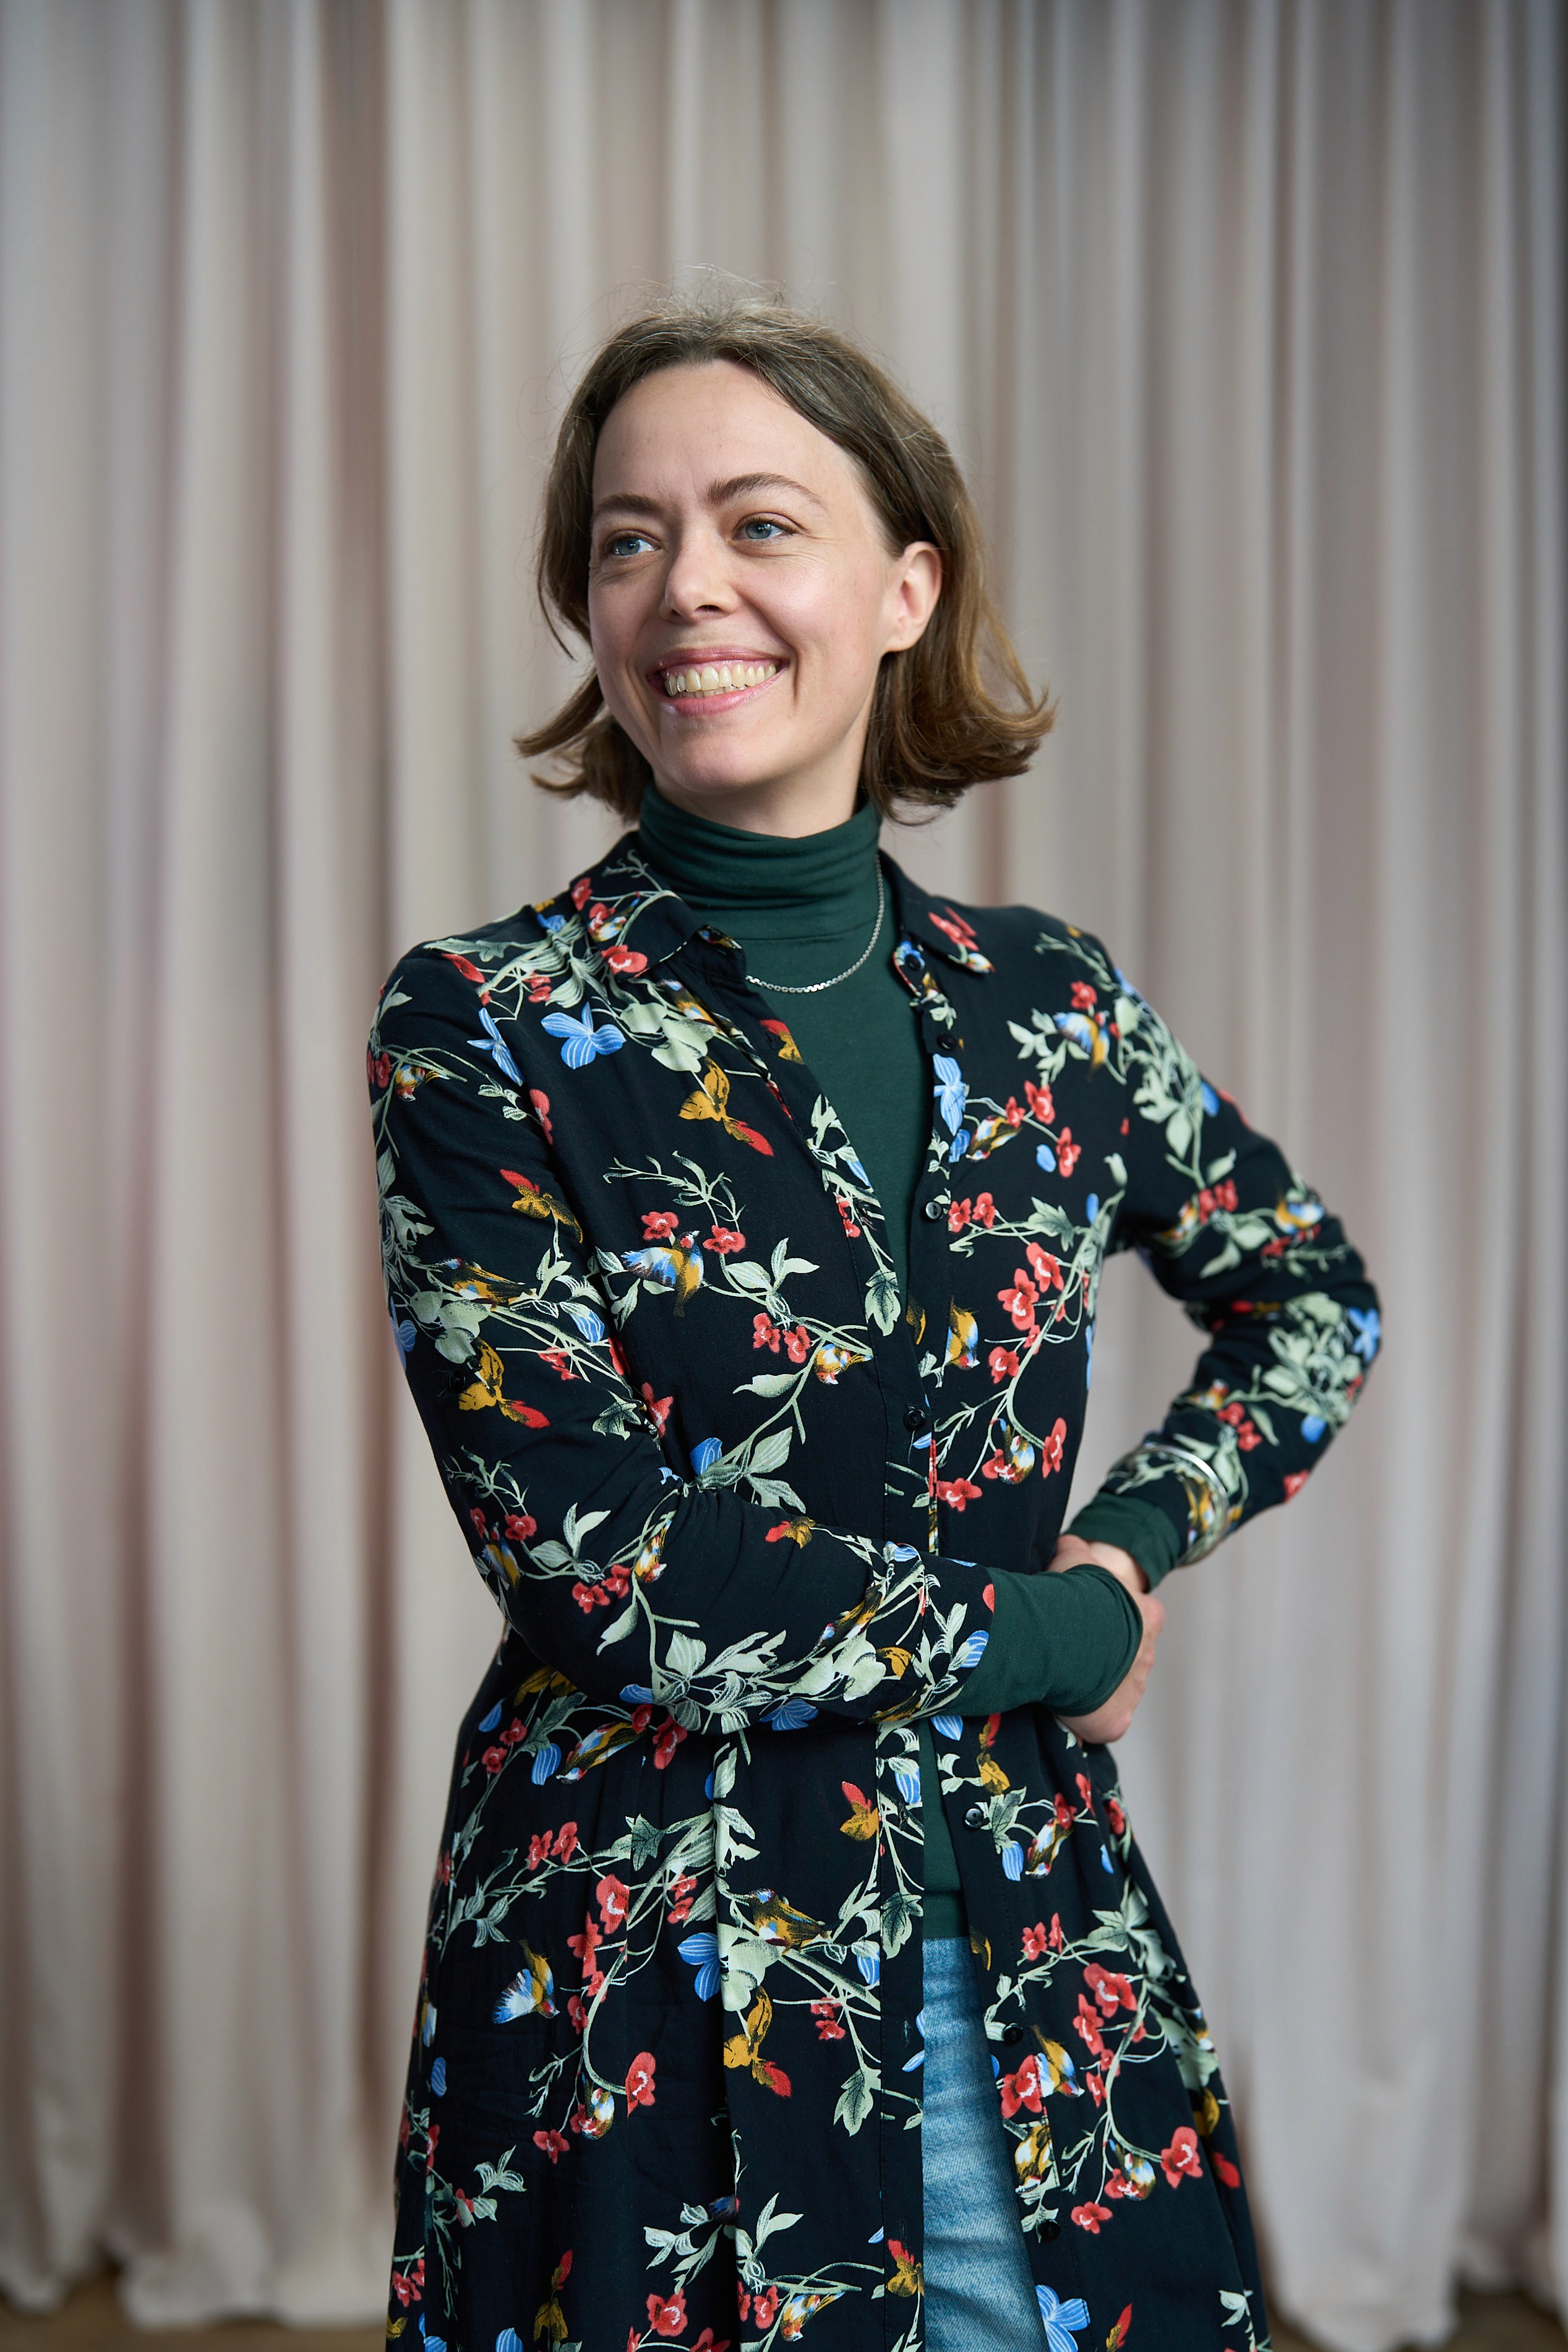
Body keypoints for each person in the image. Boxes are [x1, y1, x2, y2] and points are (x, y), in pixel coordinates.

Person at [369, 296, 1379, 2352]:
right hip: (645, 1964)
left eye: (761, 522)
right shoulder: (480, 1024)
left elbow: (1310, 1300)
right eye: (629, 539)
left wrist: (1138, 1537)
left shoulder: (1054, 1005)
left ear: (906, 584)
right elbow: (612, 1575)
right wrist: (1052, 1631)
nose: (689, 589)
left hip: (1029, 1945)